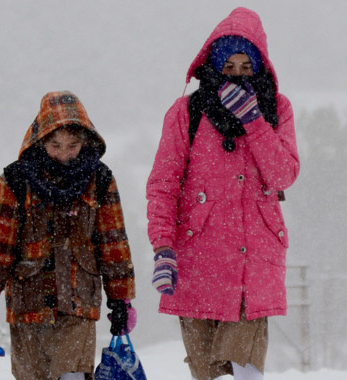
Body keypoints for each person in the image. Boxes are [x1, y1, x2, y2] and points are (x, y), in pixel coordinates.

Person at [147, 7, 299, 380]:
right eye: (228, 65)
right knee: (208, 374)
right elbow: (163, 185)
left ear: (259, 67)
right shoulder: (187, 112)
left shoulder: (277, 109)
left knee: (245, 373)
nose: (236, 74)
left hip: (254, 262)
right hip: (197, 261)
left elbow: (283, 174)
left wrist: (254, 121)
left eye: (246, 66)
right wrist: (162, 247)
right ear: (213, 65)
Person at [0, 91, 136, 380]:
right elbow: (0, 247)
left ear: (85, 141)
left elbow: (113, 244)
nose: (65, 154)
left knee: (73, 376)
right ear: (41, 140)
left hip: (79, 304)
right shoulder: (15, 179)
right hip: (29, 304)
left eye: (73, 145)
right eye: (55, 145)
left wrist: (120, 300)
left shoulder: (100, 179)